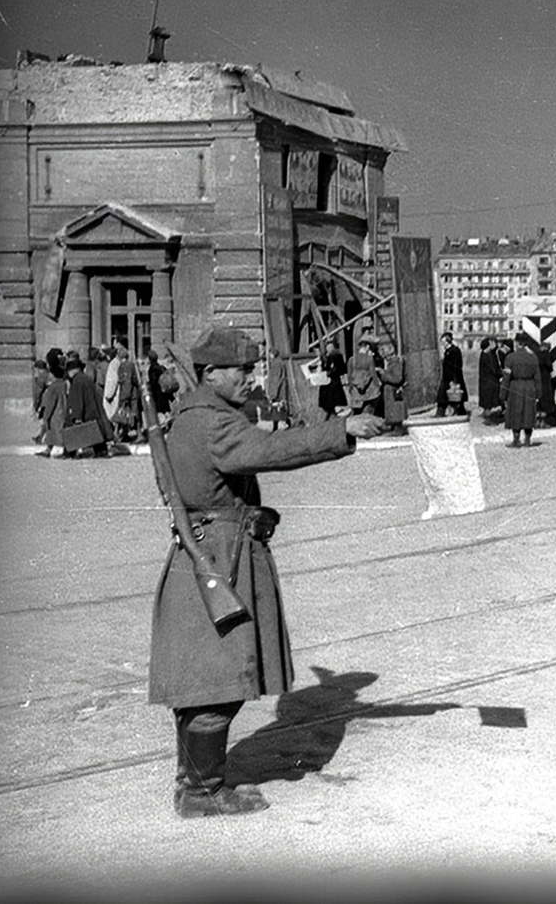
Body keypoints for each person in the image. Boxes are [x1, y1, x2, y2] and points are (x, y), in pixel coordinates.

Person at [148, 326, 382, 818]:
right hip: (222, 563)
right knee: (221, 680)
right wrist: (342, 431)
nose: (250, 379)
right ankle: (202, 791)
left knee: (202, 681)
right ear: (211, 374)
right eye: (242, 371)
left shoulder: (191, 417)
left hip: (203, 557)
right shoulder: (214, 424)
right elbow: (272, 451)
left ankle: (194, 783)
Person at [63, 352, 116, 457]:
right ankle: (101, 451)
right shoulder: (85, 378)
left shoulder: (77, 381)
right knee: (95, 434)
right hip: (93, 411)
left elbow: (77, 400)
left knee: (74, 433)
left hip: (86, 413)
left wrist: (76, 416)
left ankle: (70, 453)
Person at [499, 332, 540, 448]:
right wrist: (538, 392)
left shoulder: (511, 358)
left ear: (516, 343)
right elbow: (538, 377)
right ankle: (527, 440)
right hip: (530, 386)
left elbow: (506, 378)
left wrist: (503, 394)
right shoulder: (533, 358)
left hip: (515, 386)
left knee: (515, 412)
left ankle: (516, 440)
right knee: (528, 413)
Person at [34, 354, 67, 457]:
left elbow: (51, 403)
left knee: (53, 432)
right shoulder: (65, 384)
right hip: (64, 411)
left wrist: (46, 415)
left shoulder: (53, 387)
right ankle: (49, 449)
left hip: (56, 414)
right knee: (59, 432)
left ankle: (50, 450)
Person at [346, 336, 383, 417]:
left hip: (356, 392)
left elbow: (349, 377)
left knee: (356, 413)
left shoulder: (351, 360)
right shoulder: (369, 359)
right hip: (369, 392)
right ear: (367, 347)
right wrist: (378, 385)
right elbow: (373, 375)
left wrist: (351, 389)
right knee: (369, 411)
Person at [379, 336, 407, 436]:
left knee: (395, 410)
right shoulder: (390, 362)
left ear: (391, 349)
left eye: (383, 349)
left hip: (394, 392)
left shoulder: (397, 362)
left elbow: (397, 378)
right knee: (390, 409)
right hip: (389, 392)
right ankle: (393, 426)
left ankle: (398, 427)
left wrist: (384, 374)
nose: (381, 352)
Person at [436, 332, 467, 417]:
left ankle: (442, 412)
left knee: (449, 396)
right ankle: (458, 412)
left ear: (448, 341)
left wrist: (453, 380)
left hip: (452, 378)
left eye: (443, 342)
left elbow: (456, 367)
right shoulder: (450, 351)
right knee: (450, 396)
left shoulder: (453, 351)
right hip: (448, 377)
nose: (442, 344)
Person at [318, 342, 348, 416]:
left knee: (333, 396)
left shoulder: (337, 356)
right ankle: (330, 410)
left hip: (334, 380)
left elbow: (340, 368)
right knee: (327, 396)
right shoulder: (325, 357)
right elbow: (324, 367)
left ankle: (334, 410)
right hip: (327, 380)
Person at [477, 337, 503, 421]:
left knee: (485, 398)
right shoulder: (488, 356)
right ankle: (489, 415)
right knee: (490, 398)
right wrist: (502, 372)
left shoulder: (484, 353)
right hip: (490, 381)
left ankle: (486, 412)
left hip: (485, 380)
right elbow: (494, 370)